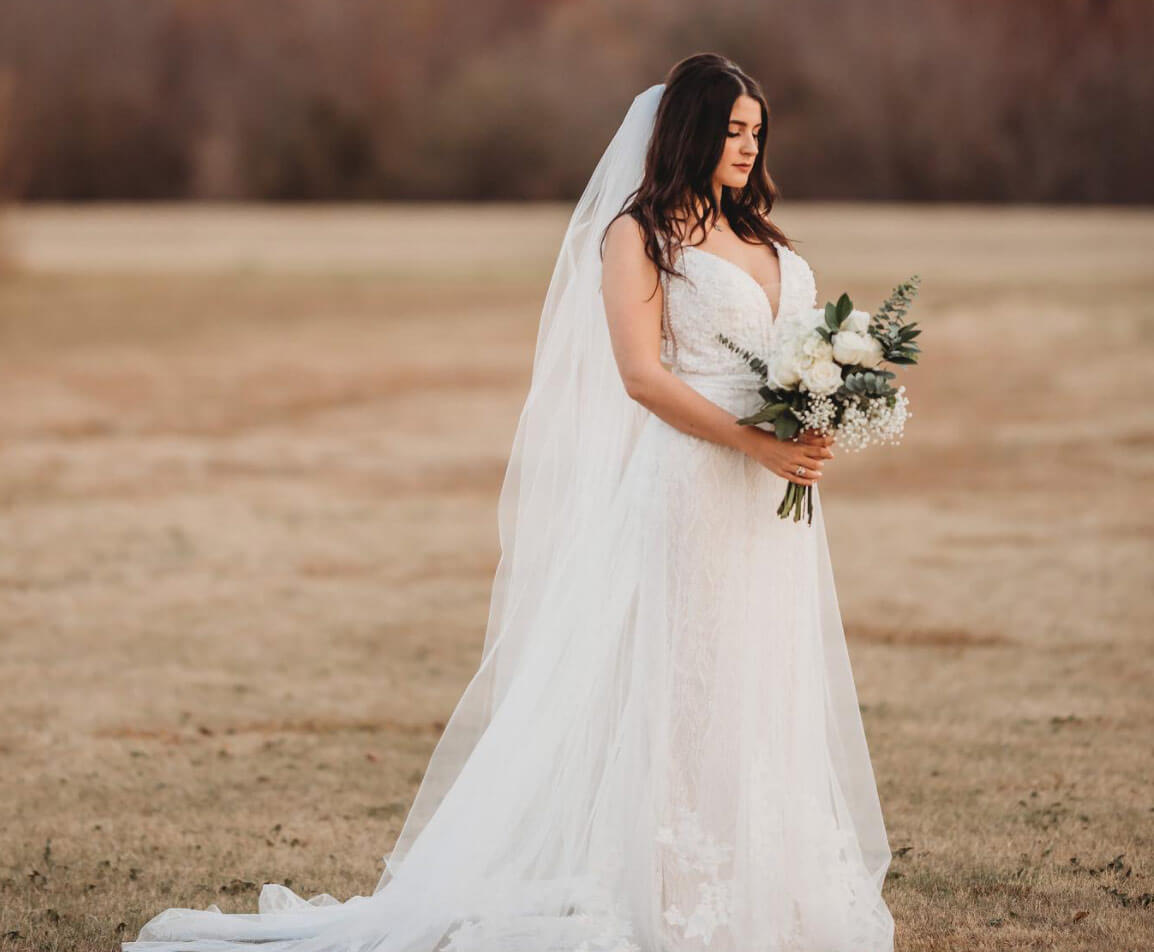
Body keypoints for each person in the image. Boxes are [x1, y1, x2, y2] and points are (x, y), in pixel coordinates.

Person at [124, 52, 895, 952]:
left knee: (764, 675)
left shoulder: (764, 236)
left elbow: (795, 344)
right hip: (692, 486)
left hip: (770, 506)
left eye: (756, 132)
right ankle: (681, 895)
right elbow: (642, 377)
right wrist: (757, 444)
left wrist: (819, 409)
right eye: (730, 130)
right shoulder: (638, 236)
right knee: (684, 688)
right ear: (688, 130)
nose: (745, 146)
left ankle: (769, 879)